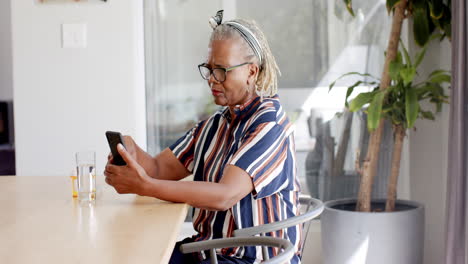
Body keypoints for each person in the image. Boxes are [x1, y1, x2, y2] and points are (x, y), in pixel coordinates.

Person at [104, 10, 301, 264]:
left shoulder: (269, 124)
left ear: (252, 71)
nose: (211, 80)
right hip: (211, 250)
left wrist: (145, 186)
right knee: (141, 255)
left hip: (253, 257)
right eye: (209, 69)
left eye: (221, 70)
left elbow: (224, 195)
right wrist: (130, 151)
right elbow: (158, 169)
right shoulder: (214, 125)